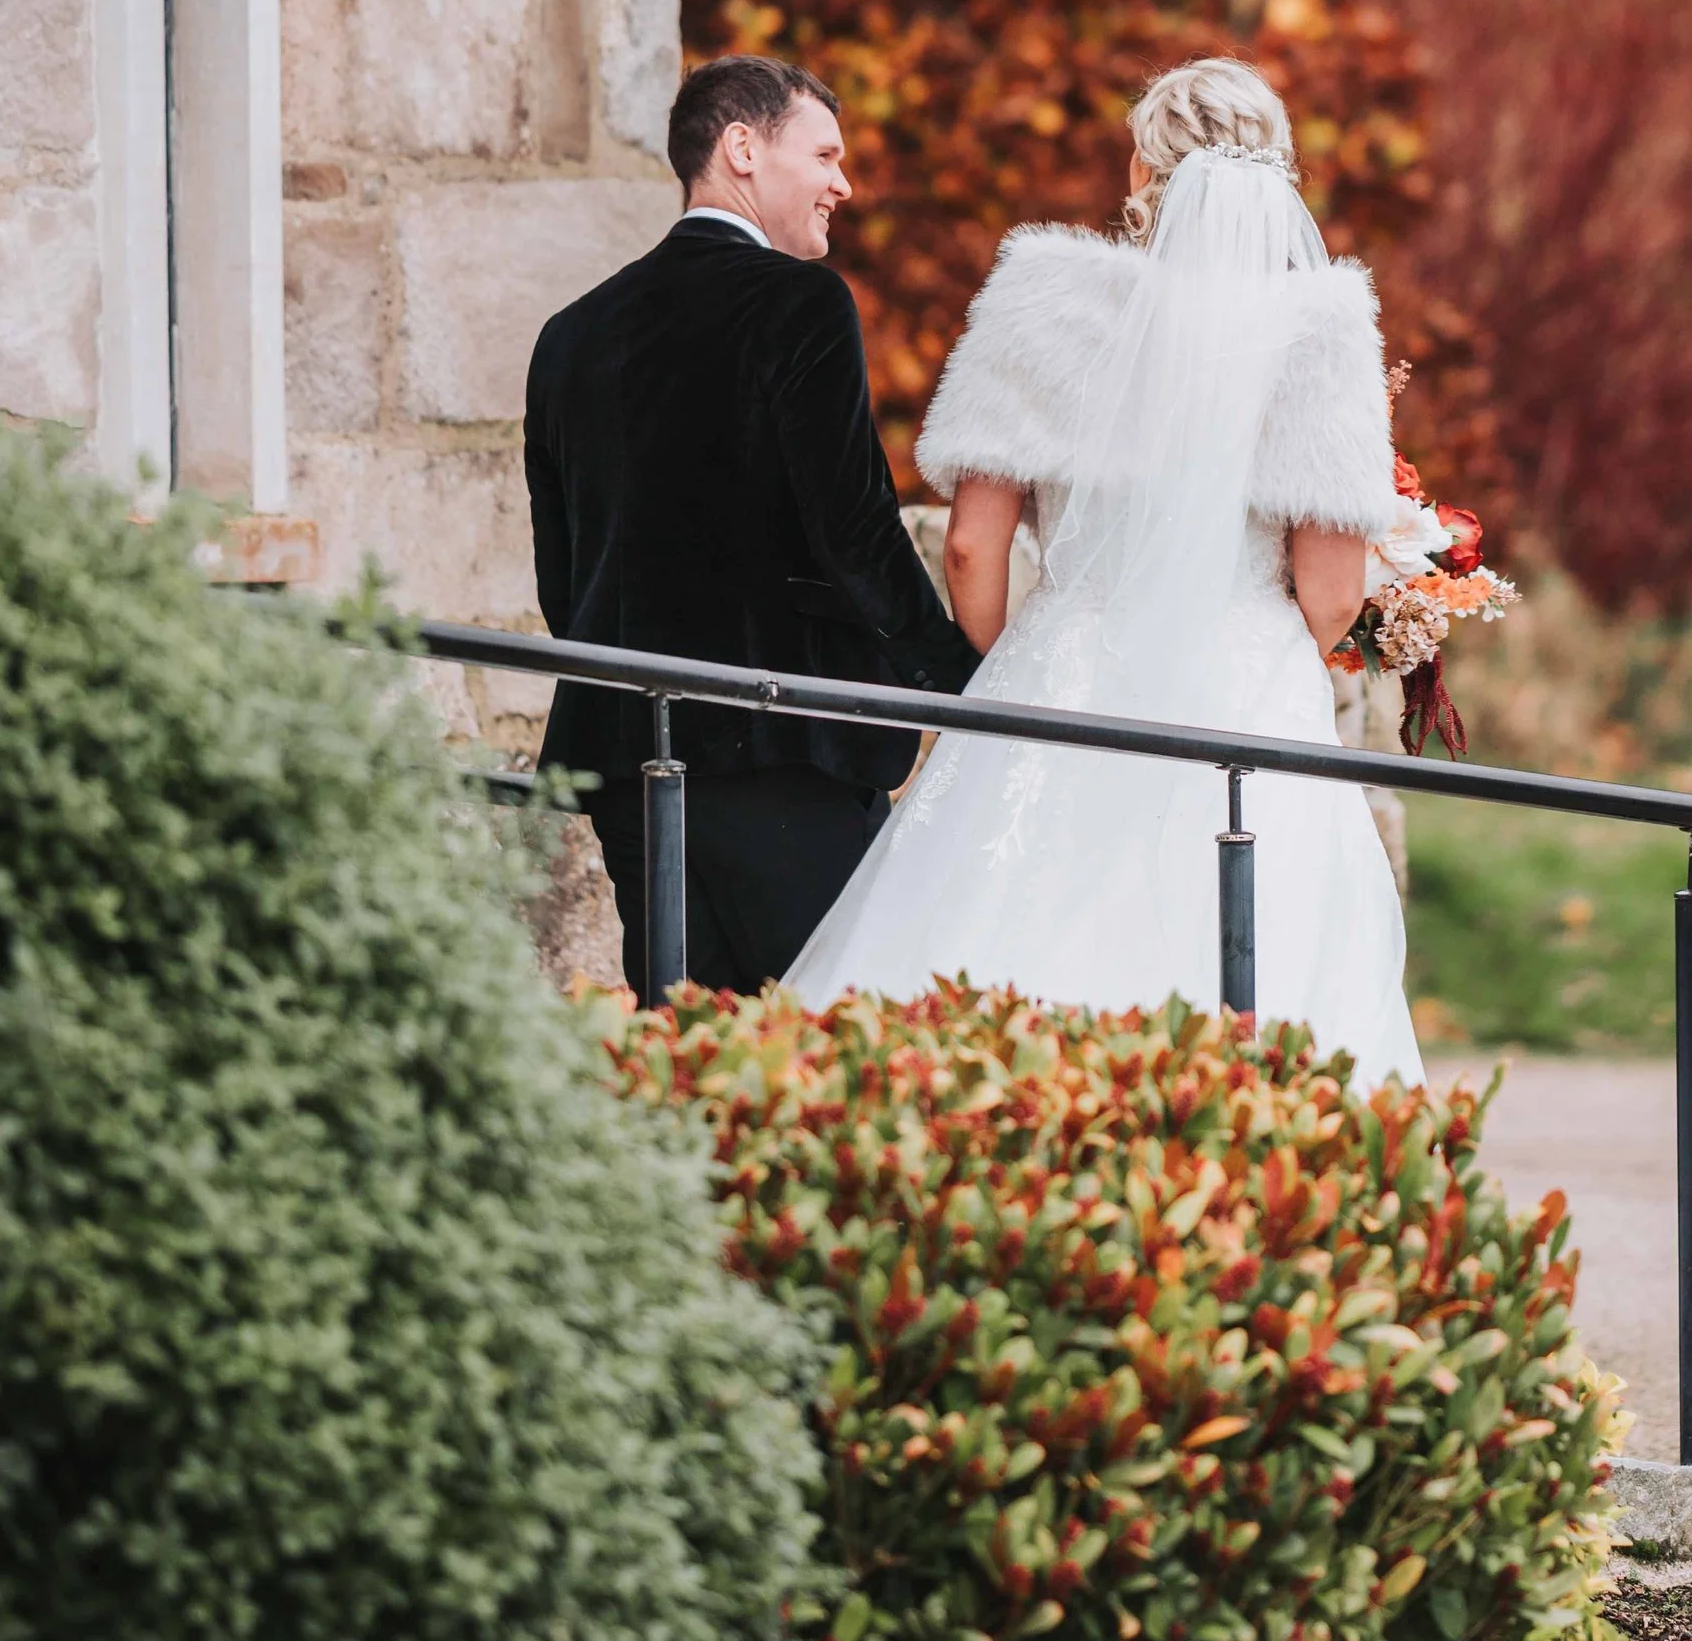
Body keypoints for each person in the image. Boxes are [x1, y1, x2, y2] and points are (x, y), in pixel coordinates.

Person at [788, 57, 1423, 1085]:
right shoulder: (1319, 331)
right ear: (1279, 176)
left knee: (986, 953)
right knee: (1260, 974)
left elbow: (969, 547)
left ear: (1140, 169)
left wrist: (1038, 646)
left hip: (1060, 674)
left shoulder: (1041, 303)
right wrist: (1251, 644)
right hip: (1246, 695)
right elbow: (1333, 595)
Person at [526, 54, 975, 998]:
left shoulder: (570, 334)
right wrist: (966, 688)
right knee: (835, 1040)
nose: (842, 183)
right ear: (740, 148)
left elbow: (565, 583)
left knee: (686, 1058)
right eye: (824, 154)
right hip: (781, 750)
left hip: (627, 748)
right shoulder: (799, 303)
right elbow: (856, 534)